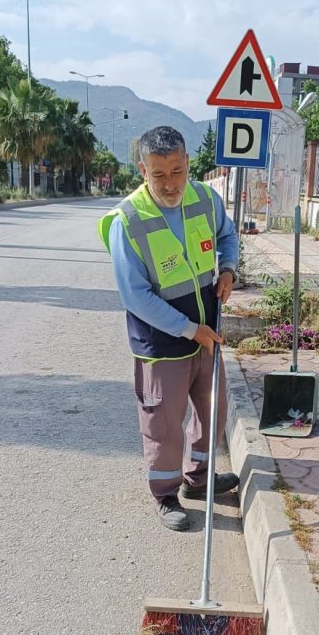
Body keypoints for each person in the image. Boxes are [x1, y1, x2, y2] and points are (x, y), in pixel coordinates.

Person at [98, 125, 239, 532]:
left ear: (188, 163)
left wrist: (228, 269)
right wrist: (188, 329)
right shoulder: (129, 220)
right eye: (158, 174)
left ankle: (199, 478)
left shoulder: (205, 198)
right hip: (162, 343)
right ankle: (165, 495)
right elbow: (135, 296)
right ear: (142, 170)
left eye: (177, 171)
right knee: (163, 423)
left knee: (213, 410)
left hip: (206, 334)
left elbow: (228, 236)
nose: (170, 183)